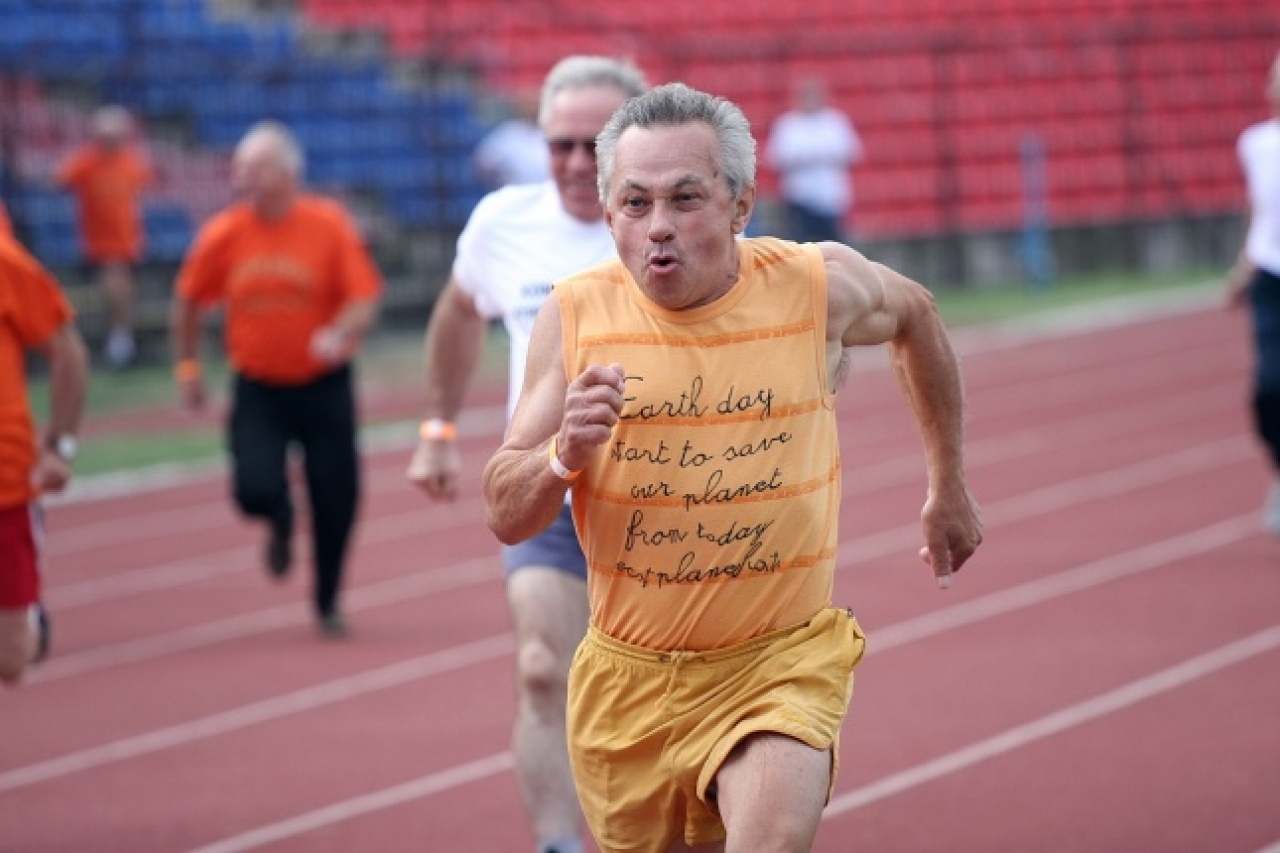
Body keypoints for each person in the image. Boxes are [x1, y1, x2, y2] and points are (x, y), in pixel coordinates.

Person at [483, 82, 982, 852]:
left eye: (685, 198)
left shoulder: (813, 285)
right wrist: (561, 456)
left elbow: (916, 311)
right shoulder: (575, 313)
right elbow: (504, 510)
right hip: (630, 685)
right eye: (635, 203)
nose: (658, 225)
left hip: (777, 664)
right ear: (609, 213)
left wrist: (948, 486)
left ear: (740, 205)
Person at [405, 56, 648, 853]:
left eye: (594, 144)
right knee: (543, 666)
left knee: (651, 694)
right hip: (550, 487)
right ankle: (557, 842)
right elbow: (458, 309)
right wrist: (438, 431)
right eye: (559, 144)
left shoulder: (679, 225)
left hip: (668, 500)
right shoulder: (502, 223)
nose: (575, 162)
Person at [170, 121, 381, 638]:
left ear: (288, 172)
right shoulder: (225, 233)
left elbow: (363, 295)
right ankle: (280, 517)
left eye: (256, 167)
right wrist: (189, 366)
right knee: (253, 489)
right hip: (259, 387)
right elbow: (188, 300)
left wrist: (338, 331)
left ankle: (327, 600)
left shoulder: (326, 224)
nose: (243, 177)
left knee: (336, 498)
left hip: (323, 384)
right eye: (240, 167)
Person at [0, 226, 89, 684]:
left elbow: (68, 352)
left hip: (6, 481)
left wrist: (60, 446)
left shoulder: (6, 263)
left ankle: (32, 618)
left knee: (11, 657)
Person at [1228, 49, 1280, 535]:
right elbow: (1258, 205)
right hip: (1269, 274)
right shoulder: (1256, 143)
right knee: (1269, 387)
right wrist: (1243, 263)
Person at [56, 104, 152, 369]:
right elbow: (60, 178)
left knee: (124, 288)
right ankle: (121, 340)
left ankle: (122, 338)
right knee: (115, 283)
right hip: (100, 240)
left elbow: (138, 197)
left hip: (128, 237)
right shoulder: (87, 161)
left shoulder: (131, 163)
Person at [764, 77, 864, 244]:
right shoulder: (788, 124)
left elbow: (853, 152)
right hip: (799, 197)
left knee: (834, 246)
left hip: (831, 197)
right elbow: (775, 158)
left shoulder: (835, 122)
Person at [473, 89, 552, 190]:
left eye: (535, 104)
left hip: (547, 194)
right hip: (516, 193)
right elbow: (484, 164)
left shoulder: (553, 132)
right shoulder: (507, 133)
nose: (532, 109)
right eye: (528, 105)